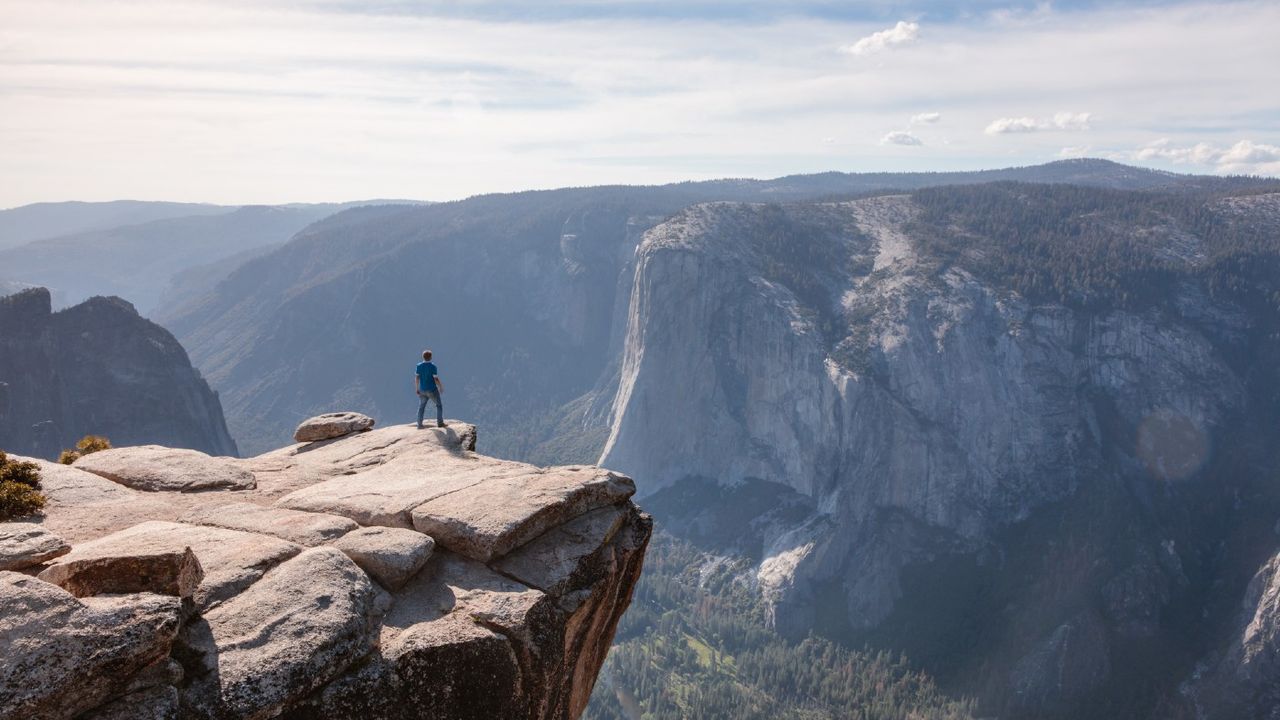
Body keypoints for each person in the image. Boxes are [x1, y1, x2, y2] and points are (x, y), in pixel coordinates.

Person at [415, 350, 445, 428]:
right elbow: (436, 379)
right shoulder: (433, 366)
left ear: (423, 357)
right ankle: (440, 423)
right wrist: (440, 386)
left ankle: (419, 424)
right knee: (439, 405)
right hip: (432, 390)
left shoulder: (419, 366)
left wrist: (417, 388)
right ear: (431, 357)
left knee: (421, 407)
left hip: (422, 390)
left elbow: (417, 378)